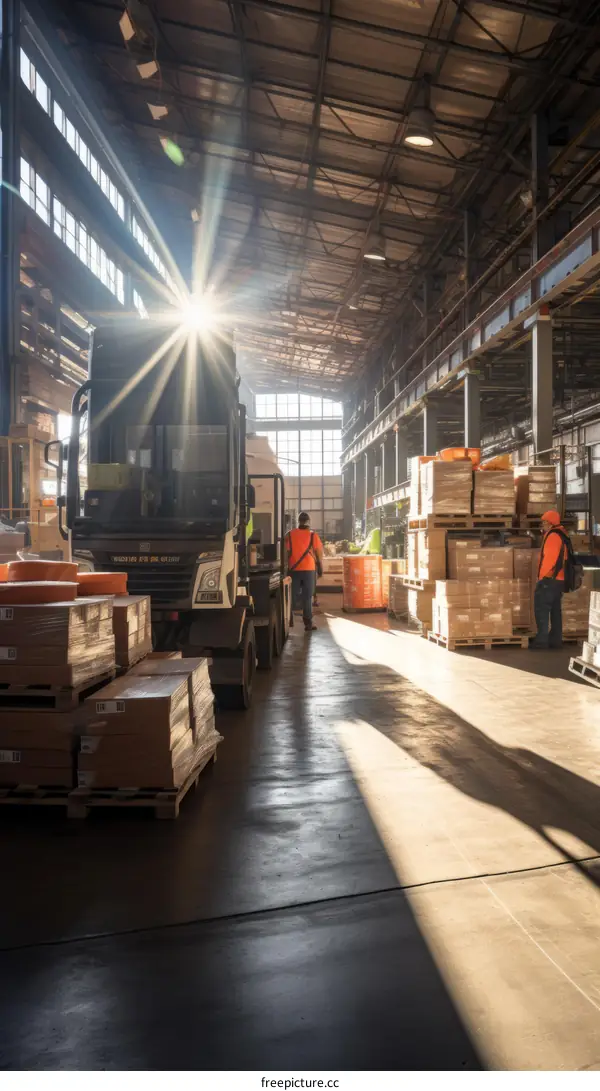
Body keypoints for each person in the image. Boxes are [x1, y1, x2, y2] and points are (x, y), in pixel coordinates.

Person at [530, 509, 569, 650]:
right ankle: (555, 641)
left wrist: (541, 578)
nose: (542, 525)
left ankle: (541, 642)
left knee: (541, 610)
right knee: (555, 611)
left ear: (549, 523)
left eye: (544, 522)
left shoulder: (553, 536)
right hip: (558, 580)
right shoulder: (562, 534)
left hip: (549, 580)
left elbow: (550, 560)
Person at [285, 511, 323, 632]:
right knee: (307, 597)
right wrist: (320, 566)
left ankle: (288, 621)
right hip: (309, 570)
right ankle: (308, 623)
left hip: (294, 569)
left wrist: (286, 568)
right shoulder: (313, 535)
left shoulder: (290, 534)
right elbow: (318, 553)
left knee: (291, 596)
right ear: (308, 522)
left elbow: (286, 552)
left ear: (298, 521)